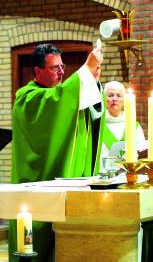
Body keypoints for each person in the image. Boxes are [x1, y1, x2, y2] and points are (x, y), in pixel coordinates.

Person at [10, 43, 105, 262]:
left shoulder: (60, 94)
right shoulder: (26, 97)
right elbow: (57, 102)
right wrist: (84, 73)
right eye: (55, 68)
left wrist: (92, 81)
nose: (62, 72)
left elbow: (80, 110)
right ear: (37, 71)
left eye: (62, 67)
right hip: (34, 187)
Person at [101, 81, 145, 169]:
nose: (114, 99)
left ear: (124, 100)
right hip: (104, 175)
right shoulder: (98, 126)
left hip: (130, 174)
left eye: (118, 95)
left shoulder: (134, 126)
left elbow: (141, 153)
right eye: (110, 95)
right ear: (104, 99)